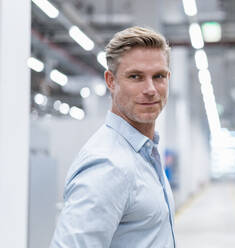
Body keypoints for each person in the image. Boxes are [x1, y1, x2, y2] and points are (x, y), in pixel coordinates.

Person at [50, 26, 176, 248]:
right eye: (135, 76)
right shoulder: (109, 165)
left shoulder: (144, 154)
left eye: (158, 76)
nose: (150, 89)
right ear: (111, 81)